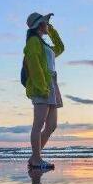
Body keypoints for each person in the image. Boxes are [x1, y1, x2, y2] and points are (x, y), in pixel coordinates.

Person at [23, 12, 64, 169]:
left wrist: (51, 30)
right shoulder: (33, 42)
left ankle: (35, 157)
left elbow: (60, 48)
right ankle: (37, 159)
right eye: (45, 23)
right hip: (42, 85)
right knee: (38, 124)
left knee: (51, 125)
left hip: (52, 84)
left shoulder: (45, 45)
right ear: (39, 24)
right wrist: (42, 87)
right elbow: (34, 66)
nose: (47, 24)